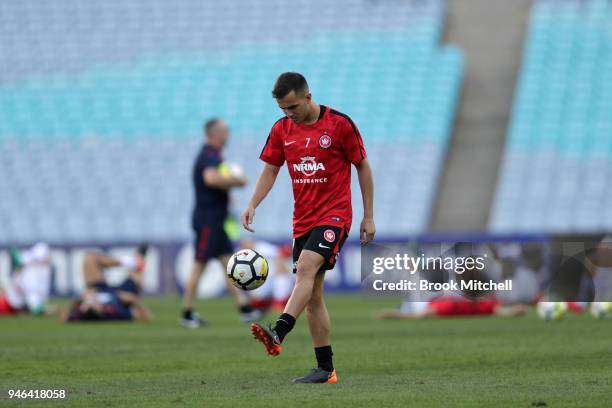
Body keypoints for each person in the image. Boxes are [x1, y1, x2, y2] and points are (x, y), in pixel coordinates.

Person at [241, 72, 375, 383]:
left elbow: (362, 166)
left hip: (335, 215)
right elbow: (271, 169)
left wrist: (369, 216)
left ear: (308, 97)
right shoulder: (281, 129)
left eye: (293, 107)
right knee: (313, 296)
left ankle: (279, 330)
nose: (289, 114)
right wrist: (252, 204)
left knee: (306, 268)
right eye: (283, 109)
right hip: (303, 219)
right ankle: (325, 369)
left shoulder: (339, 125)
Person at [180, 118, 261, 328]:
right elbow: (211, 179)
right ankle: (187, 312)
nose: (228, 135)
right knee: (200, 264)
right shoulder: (209, 154)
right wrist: (237, 181)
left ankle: (245, 309)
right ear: (215, 133)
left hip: (216, 219)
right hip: (208, 219)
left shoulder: (213, 155)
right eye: (225, 131)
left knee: (228, 263)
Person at [0, 242, 53, 316]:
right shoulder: (33, 271)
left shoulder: (31, 266)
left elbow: (16, 256)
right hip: (7, 304)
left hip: (14, 304)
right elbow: (36, 309)